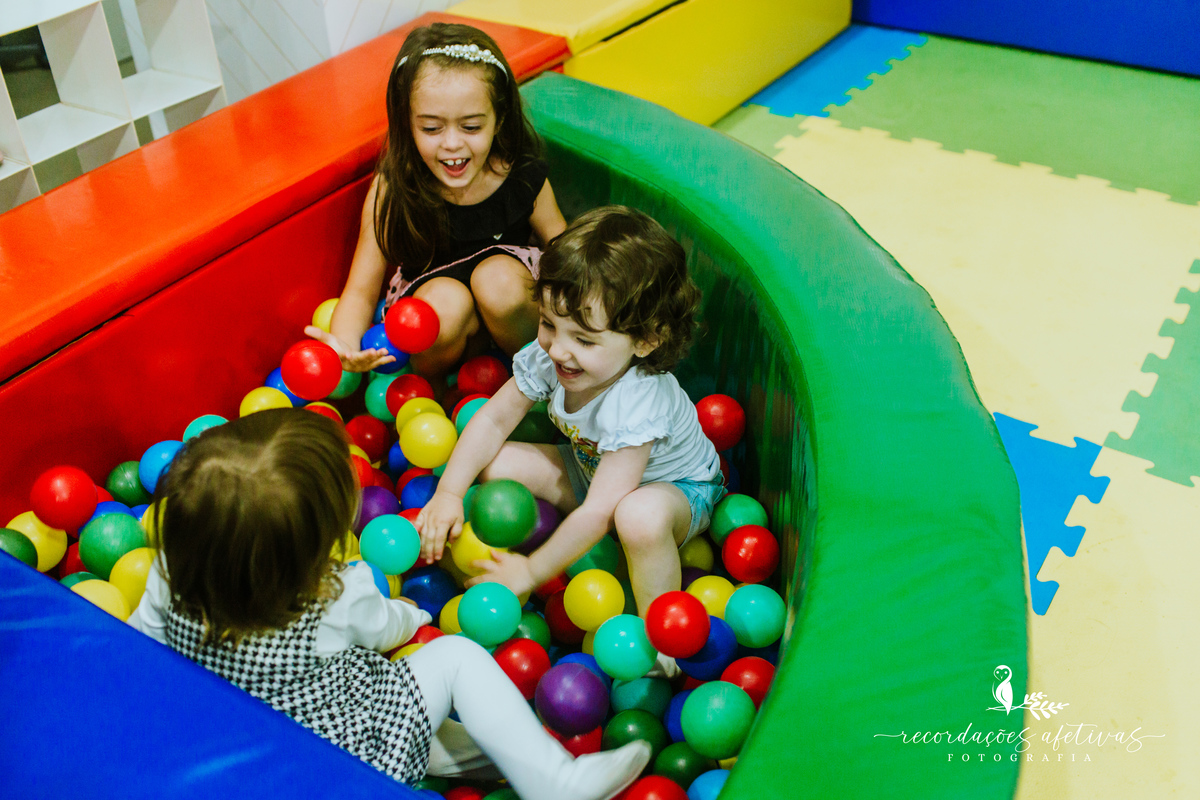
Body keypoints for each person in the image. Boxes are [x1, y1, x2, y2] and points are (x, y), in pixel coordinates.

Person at [128, 409, 649, 800]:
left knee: (437, 732)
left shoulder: (170, 575)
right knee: (455, 662)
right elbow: (385, 629)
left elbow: (137, 647)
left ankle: (504, 756)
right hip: (355, 755)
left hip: (253, 760)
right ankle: (554, 780)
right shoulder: (337, 596)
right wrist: (416, 613)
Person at [416, 206, 727, 617]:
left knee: (637, 517)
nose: (558, 349)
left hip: (678, 493)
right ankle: (605, 558)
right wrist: (448, 494)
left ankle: (661, 633)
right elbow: (492, 419)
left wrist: (529, 571)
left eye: (584, 339)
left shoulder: (637, 401)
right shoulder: (553, 355)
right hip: (591, 469)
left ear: (646, 340)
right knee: (496, 463)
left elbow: (601, 511)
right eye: (548, 323)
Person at [306, 22, 566, 381]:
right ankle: (437, 395)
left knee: (499, 280)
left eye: (471, 127)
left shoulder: (521, 176)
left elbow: (566, 257)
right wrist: (343, 345)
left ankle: (544, 380)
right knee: (444, 301)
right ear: (406, 122)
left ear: (499, 119)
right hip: (438, 328)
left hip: (516, 317)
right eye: (431, 128)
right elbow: (360, 293)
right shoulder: (392, 189)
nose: (452, 145)